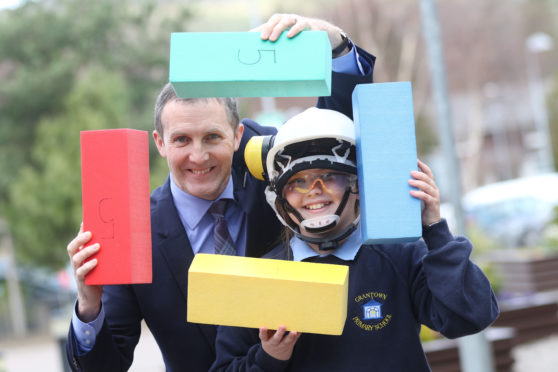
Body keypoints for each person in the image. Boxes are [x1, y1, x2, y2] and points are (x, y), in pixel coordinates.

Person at [65, 14, 376, 372]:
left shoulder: (277, 176)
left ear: (238, 135)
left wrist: (333, 44)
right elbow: (105, 366)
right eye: (182, 140)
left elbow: (337, 135)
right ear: (160, 143)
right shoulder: (135, 232)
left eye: (212, 137)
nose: (199, 156)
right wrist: (88, 306)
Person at [210, 108, 499, 371]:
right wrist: (270, 357)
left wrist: (435, 230)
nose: (314, 190)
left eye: (329, 176)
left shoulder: (399, 255)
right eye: (299, 181)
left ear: (358, 184)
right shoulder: (261, 278)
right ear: (279, 196)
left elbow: (471, 314)